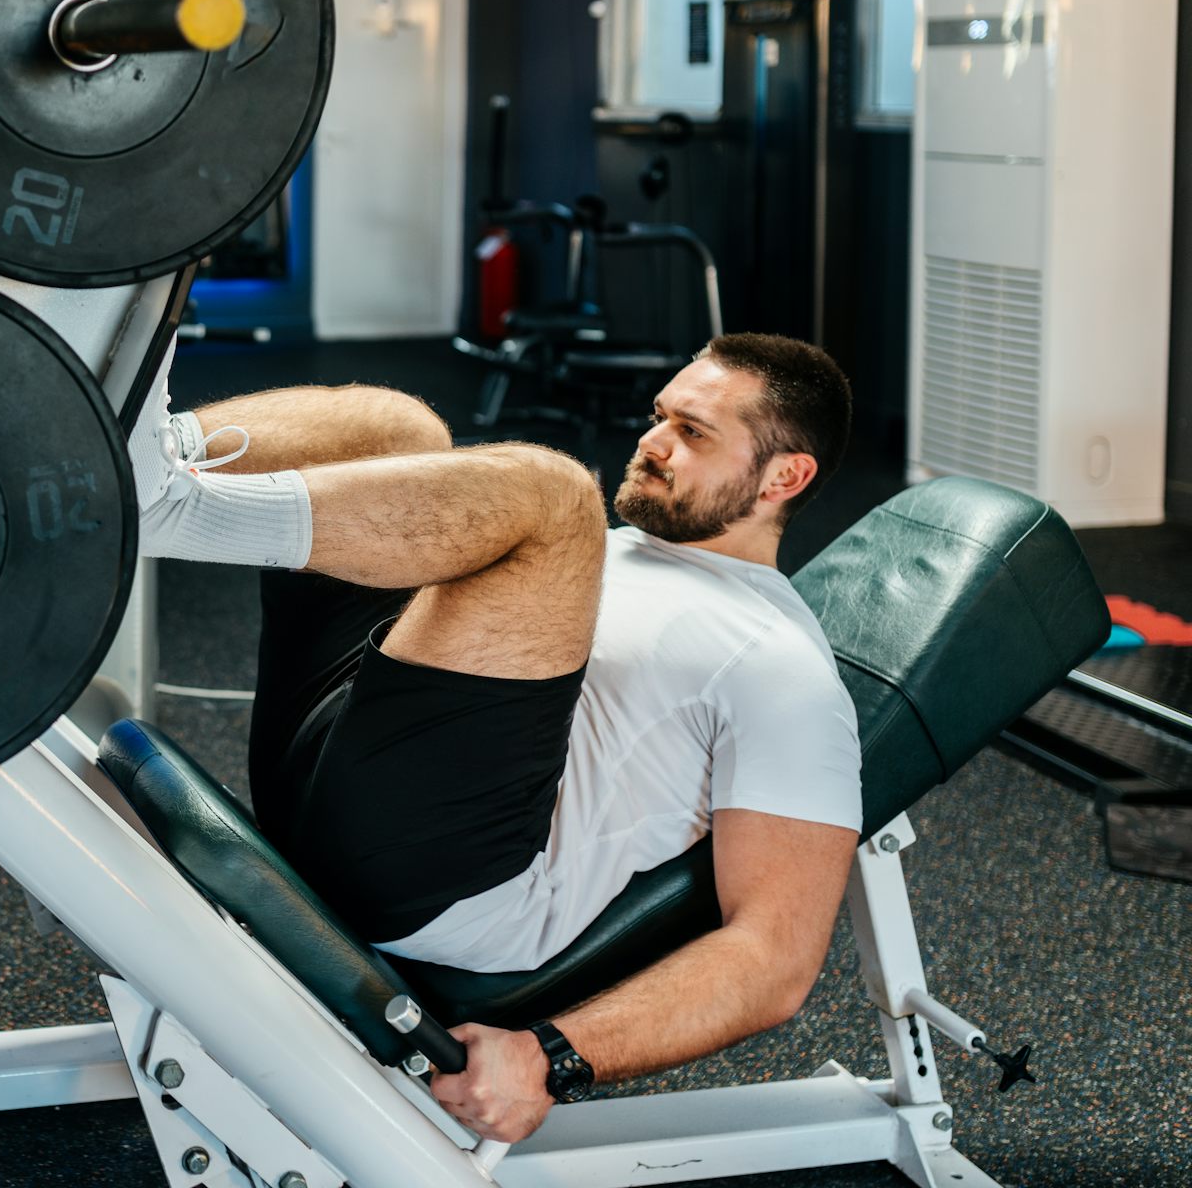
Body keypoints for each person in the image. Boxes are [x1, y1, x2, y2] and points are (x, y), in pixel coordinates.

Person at [128, 332, 862, 1144]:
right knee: (394, 427)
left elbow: (775, 958)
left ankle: (170, 508)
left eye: (693, 434)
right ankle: (123, 466)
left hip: (449, 880)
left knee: (554, 497)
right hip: (343, 755)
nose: (652, 442)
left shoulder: (783, 667)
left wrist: (553, 1056)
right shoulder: (630, 554)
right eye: (660, 417)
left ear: (784, 477)